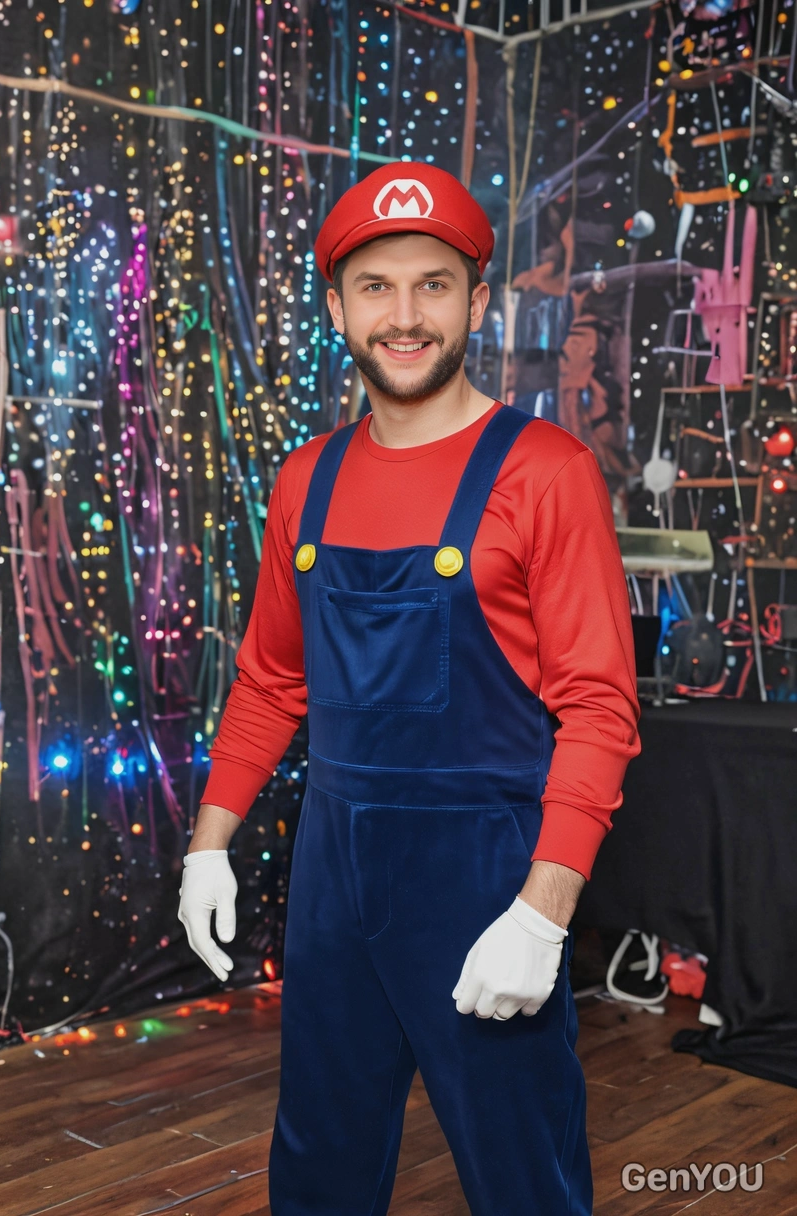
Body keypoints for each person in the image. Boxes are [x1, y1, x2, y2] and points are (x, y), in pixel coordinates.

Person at [177, 160, 641, 1215]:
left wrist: (543, 907)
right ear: (337, 306)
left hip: (486, 875)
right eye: (375, 287)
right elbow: (268, 682)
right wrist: (211, 840)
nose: (404, 316)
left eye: (432, 284)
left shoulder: (545, 472)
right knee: (318, 1162)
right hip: (333, 873)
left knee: (524, 1171)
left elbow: (600, 706)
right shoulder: (307, 476)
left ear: (476, 302)